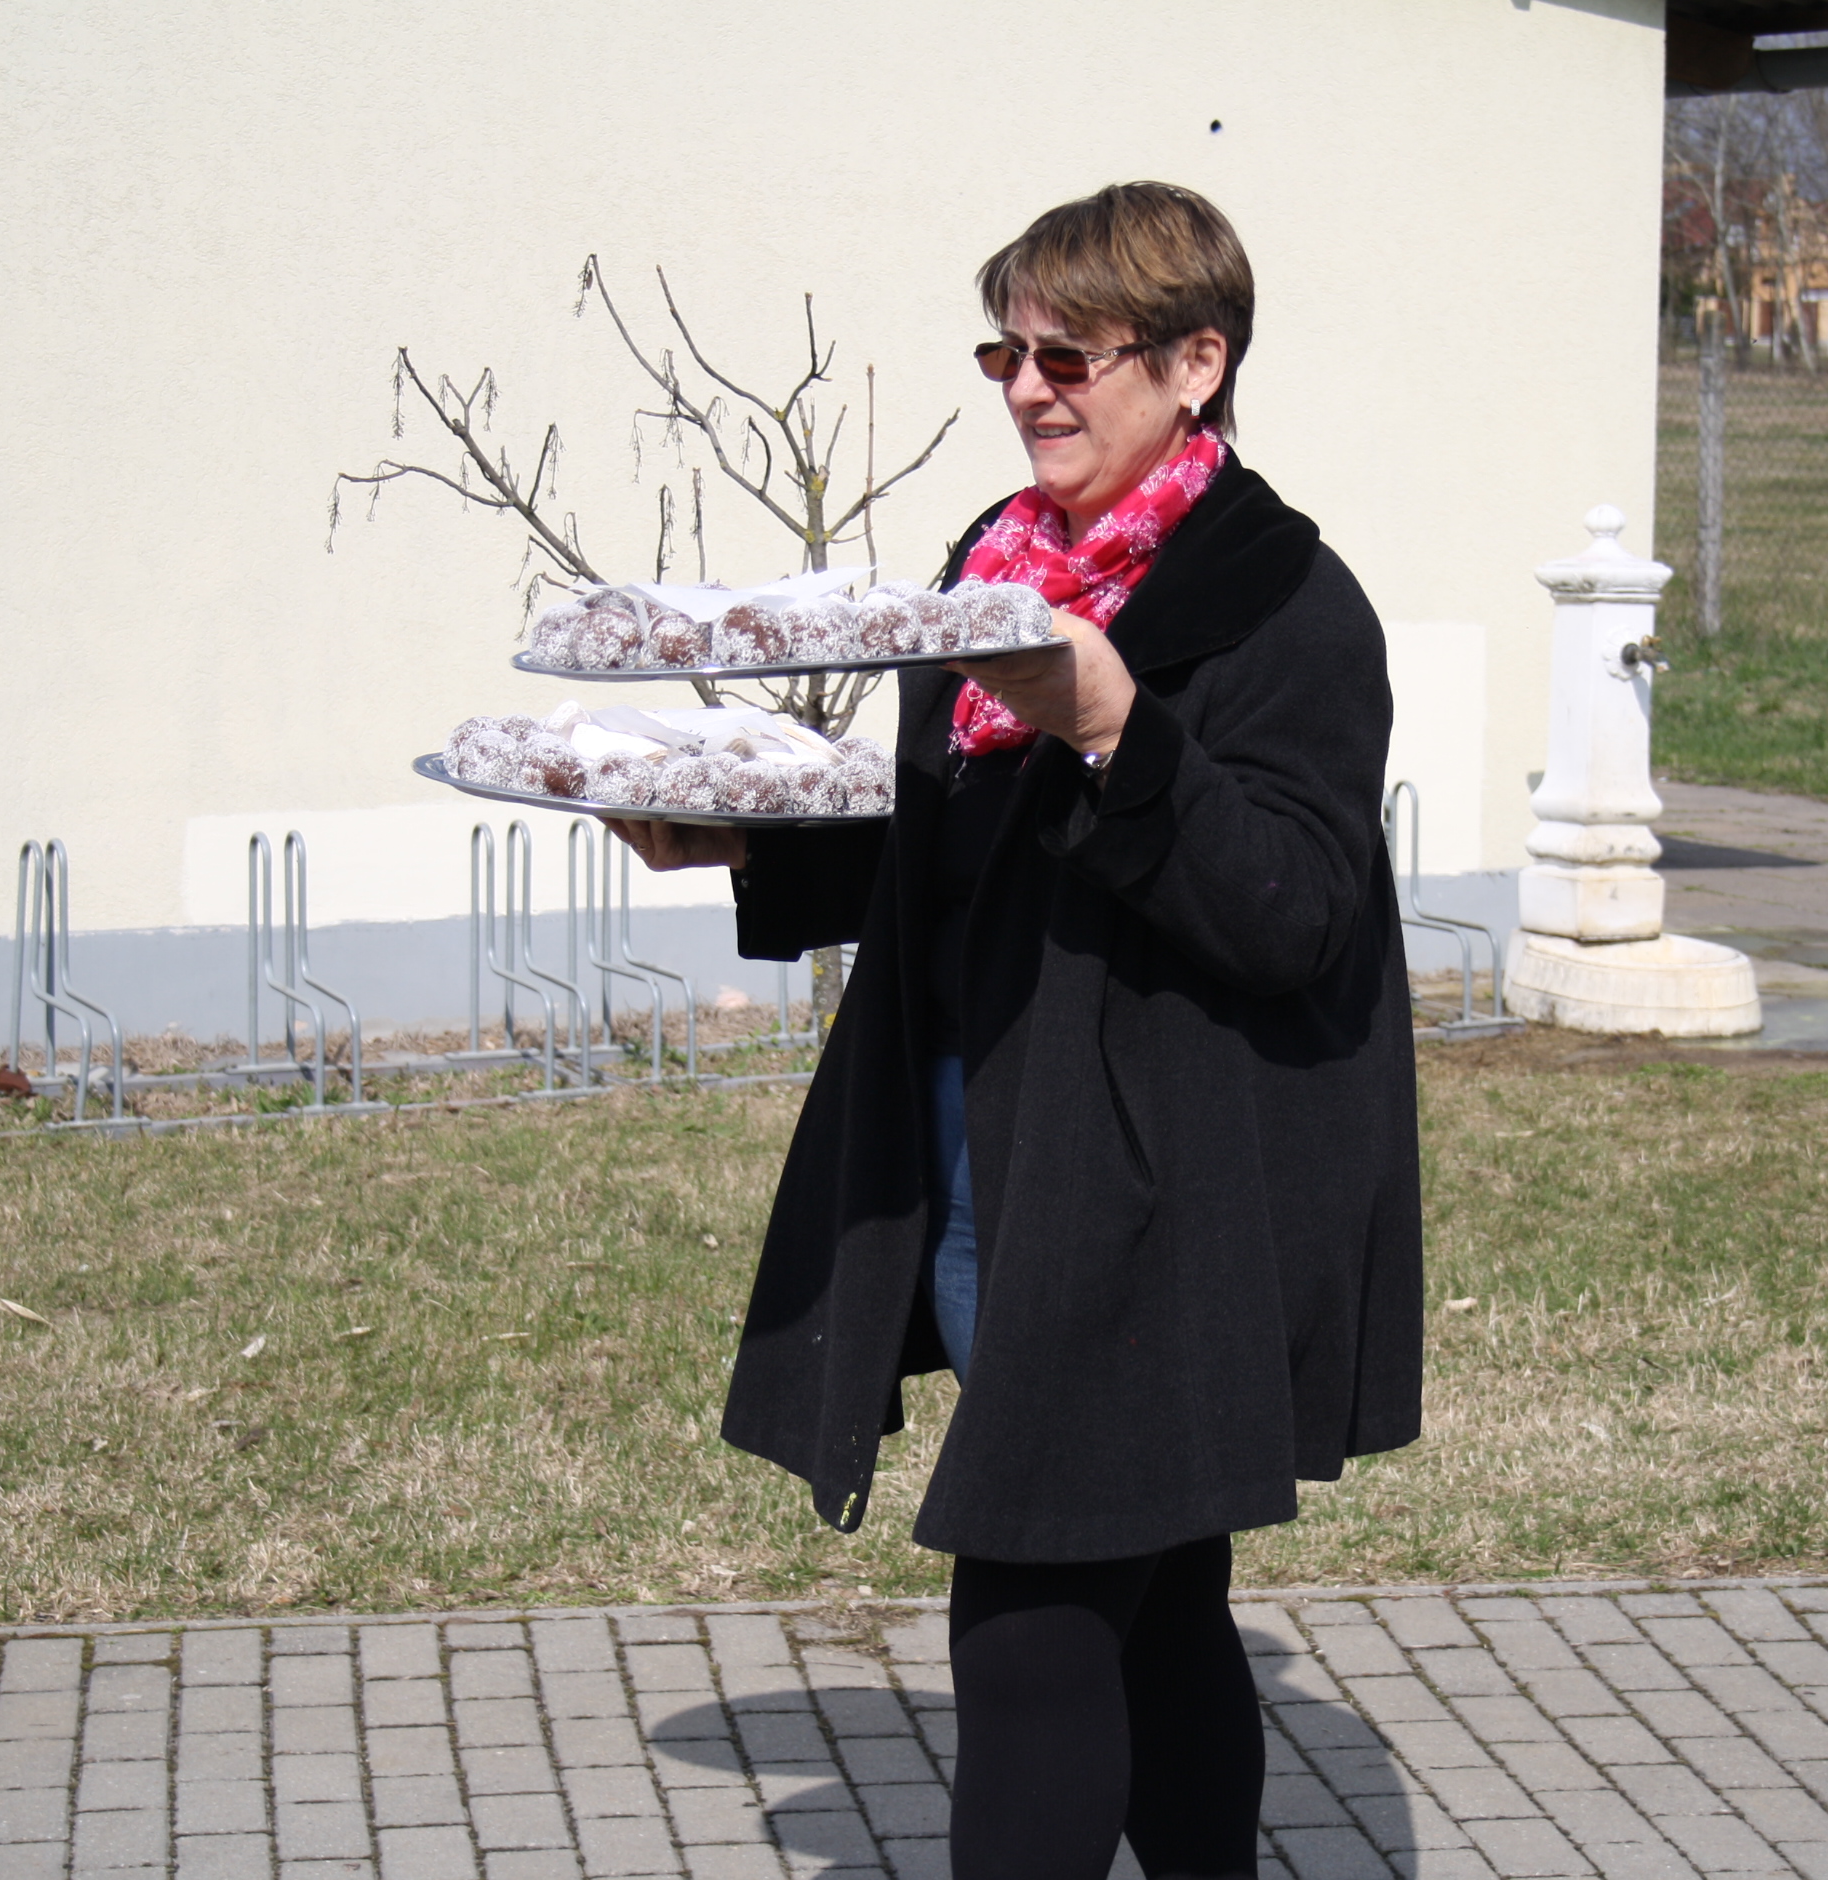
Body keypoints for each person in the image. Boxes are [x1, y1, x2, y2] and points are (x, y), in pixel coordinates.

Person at [608, 182, 1422, 1880]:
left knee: (1031, 1615)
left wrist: (1122, 728)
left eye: (1072, 356)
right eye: (1007, 354)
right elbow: (961, 853)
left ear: (1196, 364)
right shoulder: (1000, 563)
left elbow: (1292, 914)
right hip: (992, 1155)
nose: (1030, 389)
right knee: (1161, 1603)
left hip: (1169, 1199)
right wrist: (747, 843)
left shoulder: (1288, 603)